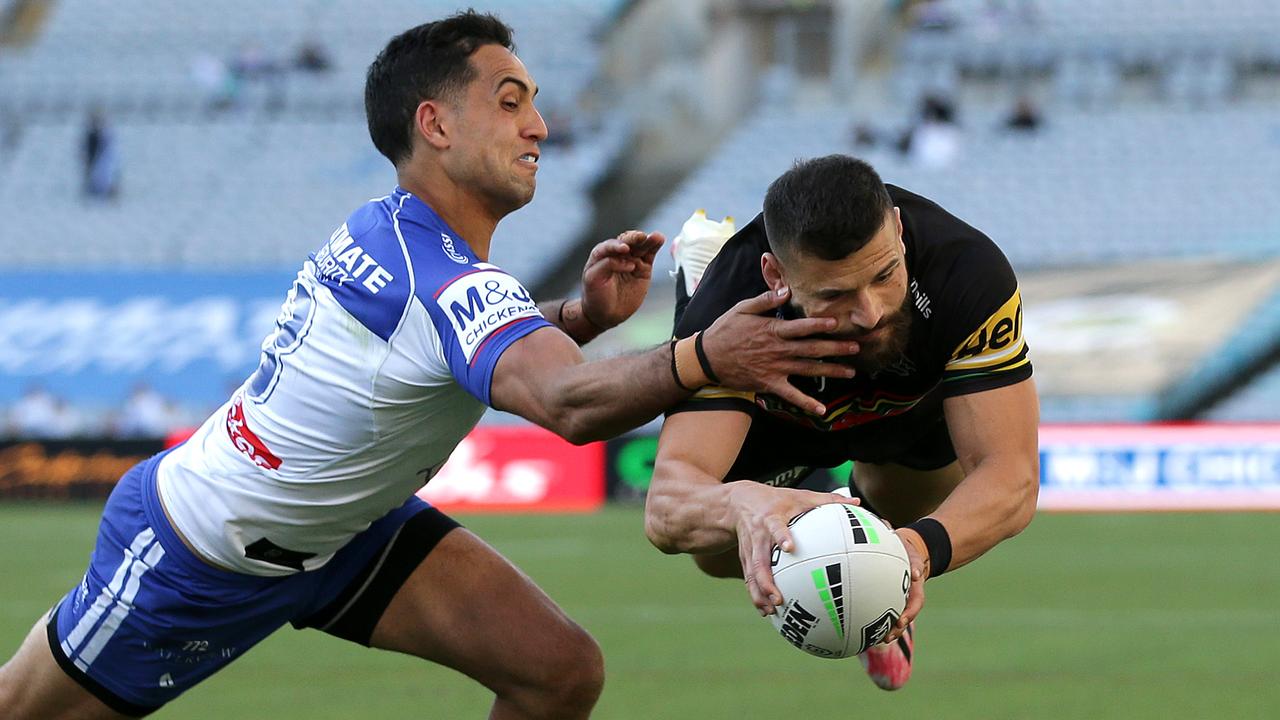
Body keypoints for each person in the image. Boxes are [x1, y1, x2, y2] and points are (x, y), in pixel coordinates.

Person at [0, 12, 857, 720]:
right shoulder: (436, 275)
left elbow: (453, 352)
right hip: (198, 556)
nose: (540, 126)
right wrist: (708, 354)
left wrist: (580, 317)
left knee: (557, 672)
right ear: (435, 123)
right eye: (511, 100)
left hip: (346, 533)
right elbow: (565, 404)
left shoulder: (406, 242)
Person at [645, 154, 1039, 692]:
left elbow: (1010, 477)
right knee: (718, 557)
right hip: (774, 418)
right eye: (834, 295)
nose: (870, 311)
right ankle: (695, 283)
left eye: (885, 275)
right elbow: (667, 508)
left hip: (905, 410)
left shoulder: (966, 272)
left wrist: (909, 555)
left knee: (915, 509)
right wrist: (742, 506)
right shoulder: (733, 308)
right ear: (775, 275)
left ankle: (871, 581)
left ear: (898, 230)